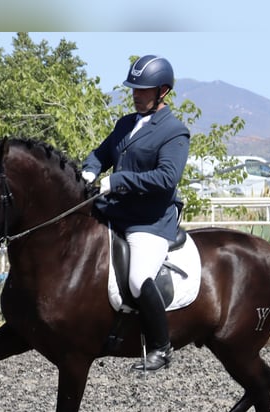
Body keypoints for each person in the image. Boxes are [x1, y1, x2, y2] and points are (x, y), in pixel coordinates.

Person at [81, 55, 190, 372]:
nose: (136, 94)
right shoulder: (125, 123)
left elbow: (167, 178)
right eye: (134, 89)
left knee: (139, 277)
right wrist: (90, 171)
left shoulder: (174, 132)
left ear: (163, 92)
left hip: (150, 219)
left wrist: (117, 180)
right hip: (115, 211)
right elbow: (100, 154)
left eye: (143, 90)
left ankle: (161, 346)